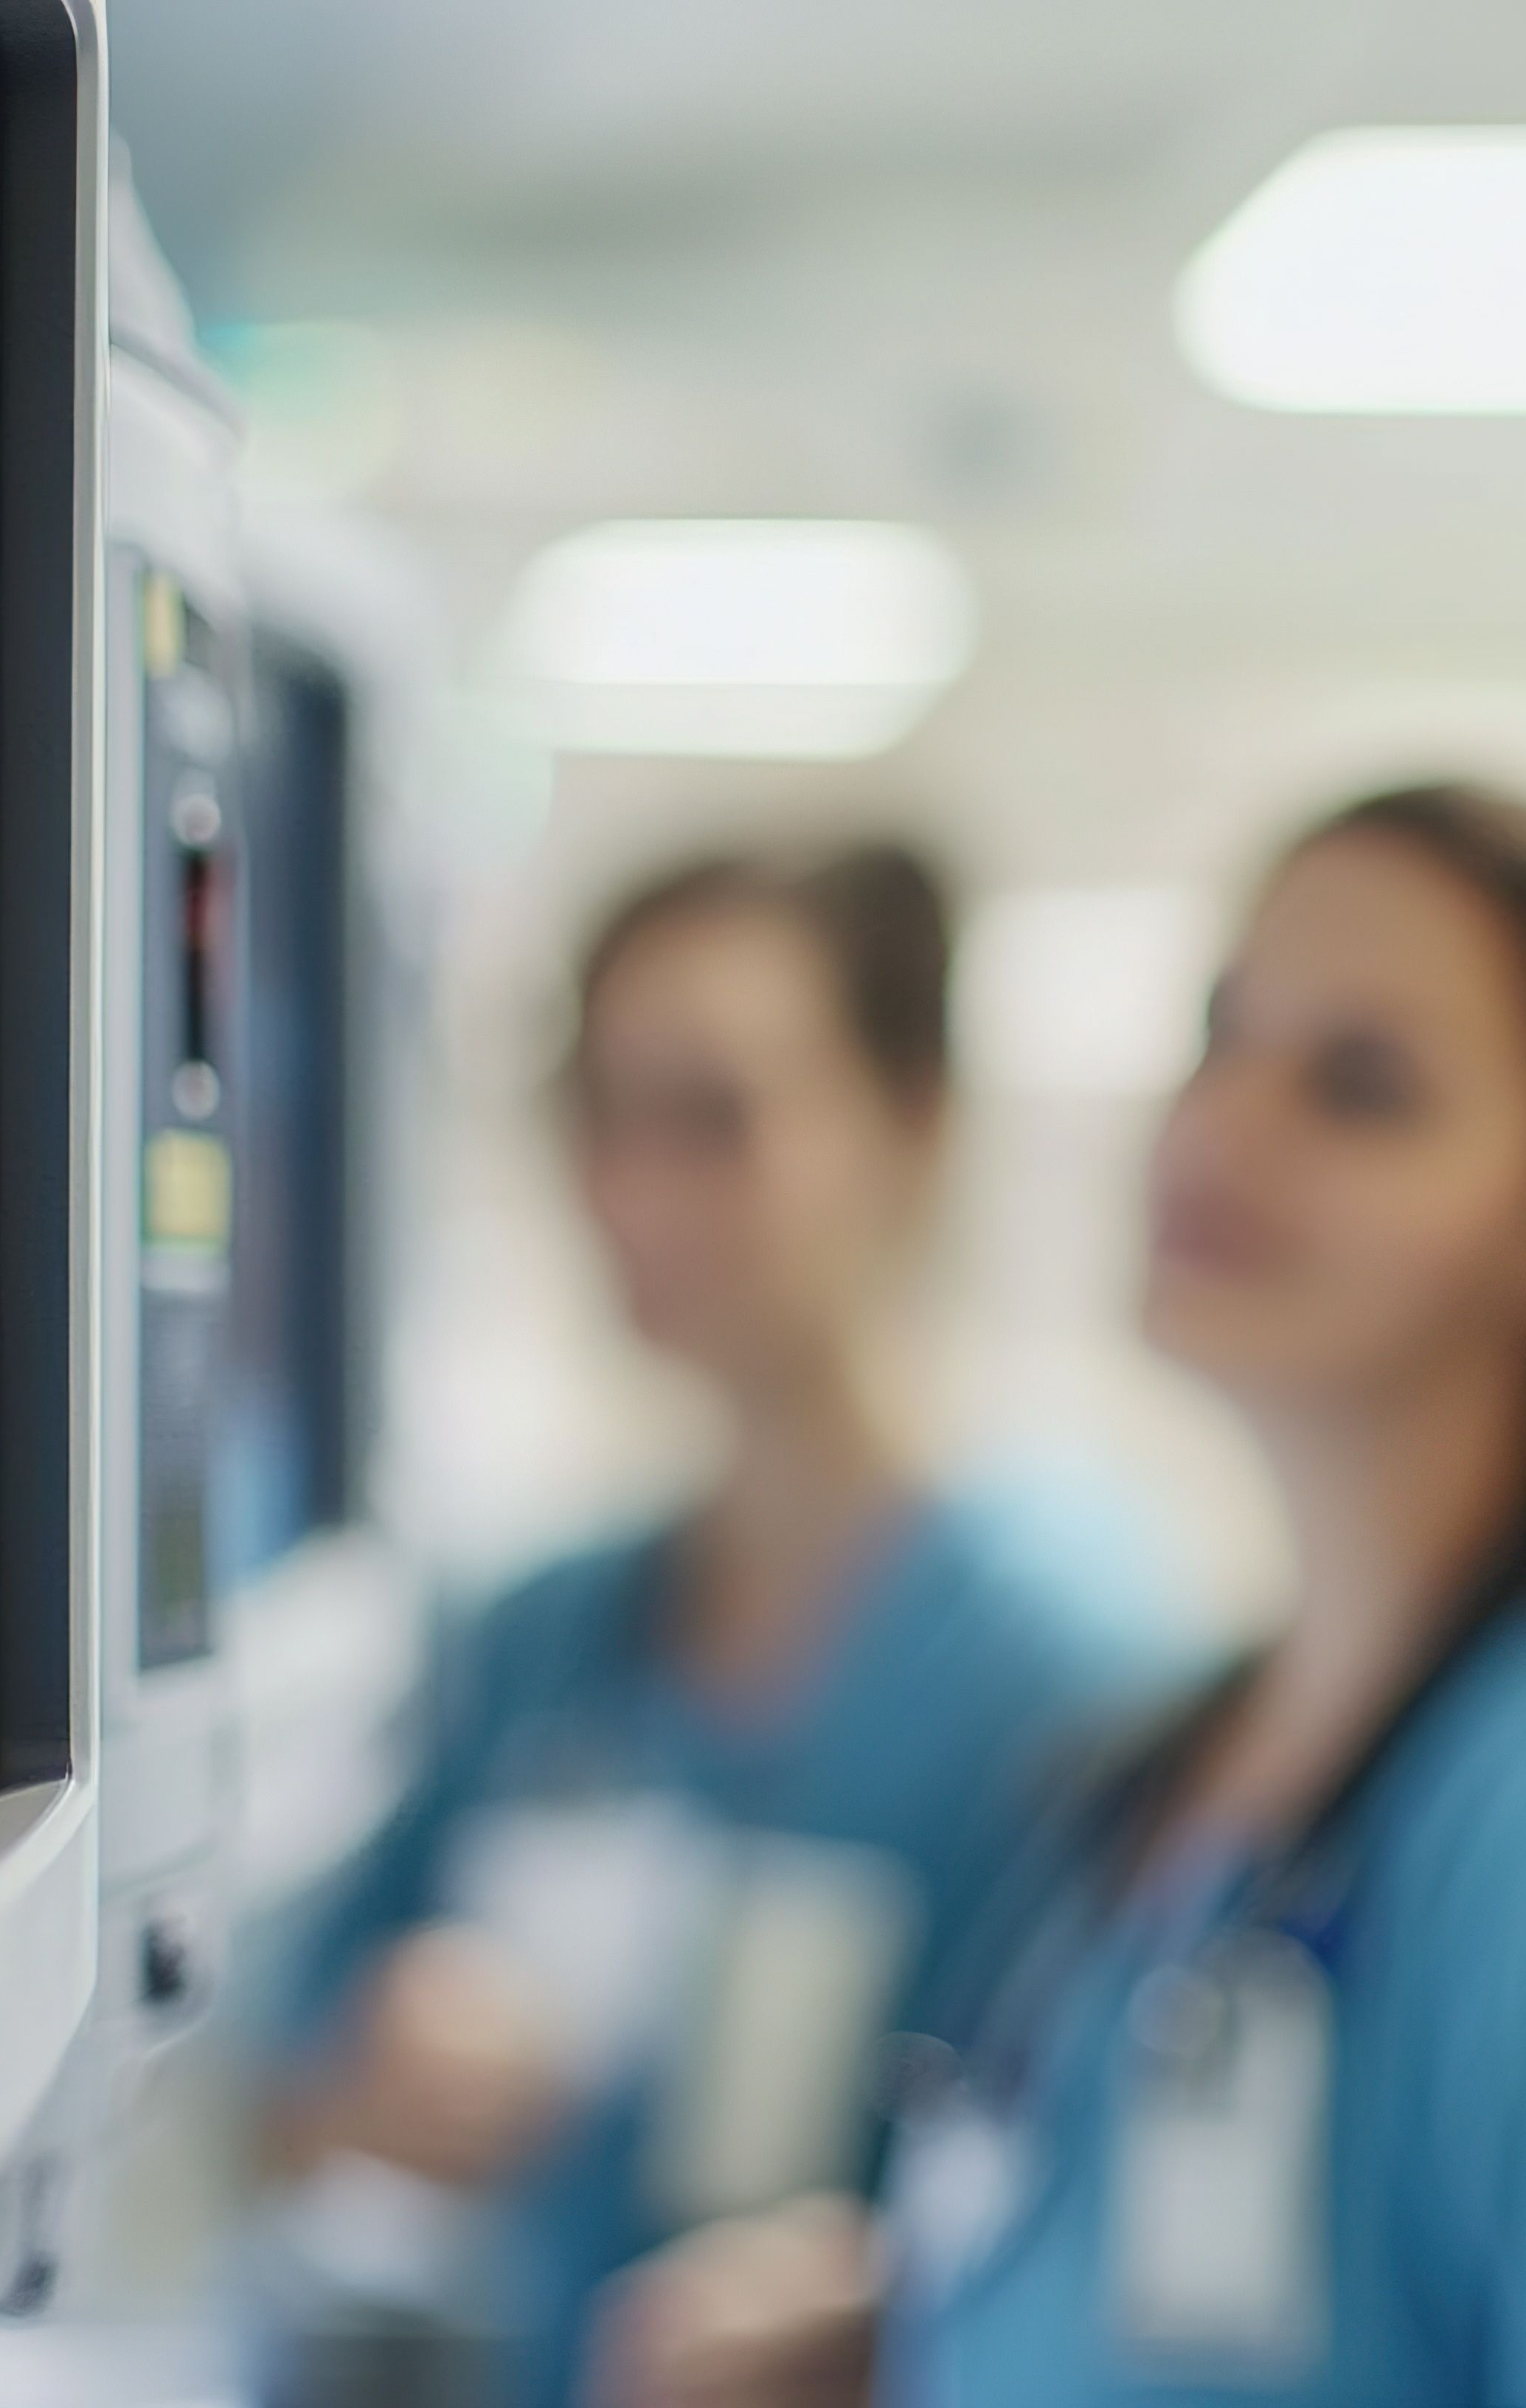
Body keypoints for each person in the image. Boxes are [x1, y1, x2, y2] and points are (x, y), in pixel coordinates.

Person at [598, 786, 1526, 2408]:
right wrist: (892, 2338)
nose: (1220, 1129)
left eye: (1357, 1089)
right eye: (1221, 1035)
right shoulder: (1188, 1768)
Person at [271, 841, 1180, 2408]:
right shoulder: (537, 1636)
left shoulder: (1078, 1676)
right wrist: (367, 2091)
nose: (629, 1191)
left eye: (712, 1119)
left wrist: (870, 2309)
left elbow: (1112, 2222)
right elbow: (273, 2095)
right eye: (597, 1116)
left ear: (912, 1129)